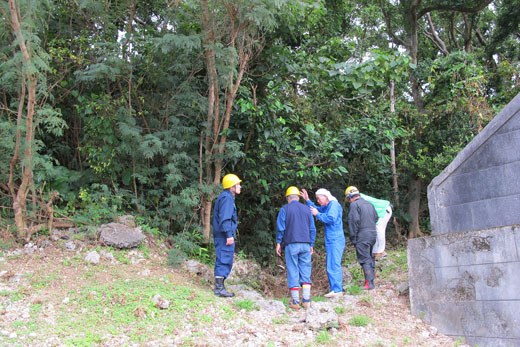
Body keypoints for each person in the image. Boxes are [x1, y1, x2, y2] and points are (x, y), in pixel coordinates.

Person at [276, 186, 317, 310]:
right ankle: (306, 300)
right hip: (305, 243)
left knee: (293, 269)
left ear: (288, 198)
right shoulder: (307, 209)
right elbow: (312, 228)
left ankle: (295, 301)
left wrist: (278, 242)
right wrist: (311, 244)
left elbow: (281, 228)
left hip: (291, 244)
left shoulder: (284, 209)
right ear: (298, 198)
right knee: (305, 269)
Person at [301, 188, 345, 298]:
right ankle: (334, 289)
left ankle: (337, 290)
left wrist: (317, 215)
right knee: (331, 264)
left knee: (334, 264)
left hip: (335, 239)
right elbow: (317, 209)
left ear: (325, 196)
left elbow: (330, 218)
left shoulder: (333, 205)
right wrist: (307, 200)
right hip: (331, 240)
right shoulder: (328, 206)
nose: (318, 201)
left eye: (318, 198)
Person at [212, 173, 242, 297]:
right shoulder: (227, 198)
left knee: (224, 259)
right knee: (224, 259)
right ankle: (219, 289)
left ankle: (220, 287)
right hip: (224, 235)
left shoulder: (226, 197)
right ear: (231, 187)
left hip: (223, 234)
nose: (240, 187)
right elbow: (225, 219)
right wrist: (229, 235)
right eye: (238, 184)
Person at [345, 186, 378, 290]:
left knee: (364, 258)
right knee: (370, 255)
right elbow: (376, 217)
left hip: (362, 234)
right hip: (373, 233)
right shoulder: (369, 204)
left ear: (350, 197)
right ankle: (372, 278)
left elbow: (353, 222)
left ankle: (369, 283)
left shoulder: (354, 205)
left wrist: (353, 238)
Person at [359, 192, 392, 261]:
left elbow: (367, 212)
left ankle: (381, 252)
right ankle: (375, 251)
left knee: (379, 230)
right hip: (380, 211)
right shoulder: (360, 198)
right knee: (376, 230)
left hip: (384, 210)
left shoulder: (361, 199)